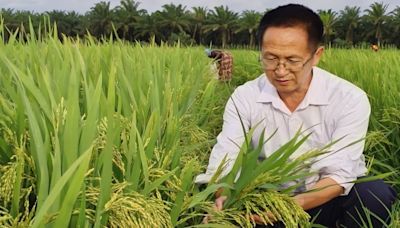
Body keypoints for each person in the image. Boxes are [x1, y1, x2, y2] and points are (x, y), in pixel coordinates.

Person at [196, 4, 397, 227]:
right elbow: (226, 158)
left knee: (374, 194)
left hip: (326, 198)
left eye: (292, 61)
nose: (280, 71)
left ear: (316, 55)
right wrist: (224, 197)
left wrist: (289, 208)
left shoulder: (348, 98)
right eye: (270, 59)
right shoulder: (245, 97)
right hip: (270, 197)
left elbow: (340, 175)